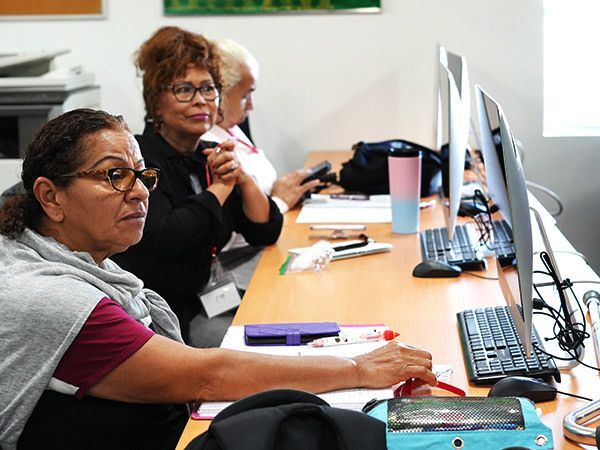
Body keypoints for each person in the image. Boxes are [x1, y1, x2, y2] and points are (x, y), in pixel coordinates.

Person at [0, 108, 437, 450]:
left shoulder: (75, 261)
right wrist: (359, 369)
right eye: (114, 175)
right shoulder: (54, 297)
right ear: (50, 196)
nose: (139, 191)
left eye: (141, 175)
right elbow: (206, 376)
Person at [112, 27, 283, 346]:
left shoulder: (206, 153)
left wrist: (242, 178)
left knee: (290, 318)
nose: (200, 101)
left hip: (213, 298)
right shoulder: (140, 159)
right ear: (156, 101)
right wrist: (219, 188)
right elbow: (166, 237)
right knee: (259, 350)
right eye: (184, 90)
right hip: (162, 314)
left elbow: (266, 231)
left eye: (208, 89)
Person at [201, 38, 320, 290]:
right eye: (246, 96)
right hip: (236, 267)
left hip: (263, 246)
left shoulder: (231, 128)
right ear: (220, 92)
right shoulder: (206, 143)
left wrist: (281, 195)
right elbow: (229, 234)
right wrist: (279, 202)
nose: (251, 105)